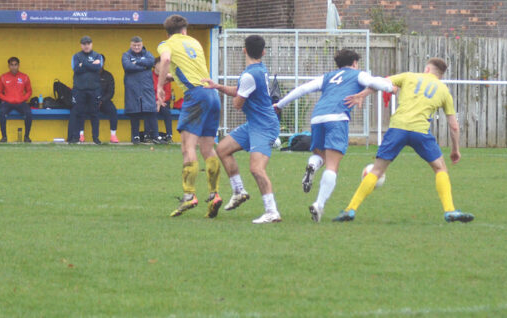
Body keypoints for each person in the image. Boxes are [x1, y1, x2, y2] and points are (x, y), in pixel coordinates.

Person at [333, 58, 475, 223]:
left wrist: (361, 95)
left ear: (427, 69)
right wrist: (455, 149)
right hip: (420, 132)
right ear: (440, 74)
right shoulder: (443, 90)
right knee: (440, 169)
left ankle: (350, 210)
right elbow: (454, 126)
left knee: (377, 171)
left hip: (397, 129)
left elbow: (380, 83)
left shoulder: (409, 76)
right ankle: (450, 211)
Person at [274, 49, 393, 222]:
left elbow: (303, 89)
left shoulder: (328, 76)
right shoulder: (357, 74)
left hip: (317, 118)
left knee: (319, 155)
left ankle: (312, 166)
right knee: (332, 165)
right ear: (354, 63)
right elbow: (375, 83)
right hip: (337, 118)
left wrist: (280, 104)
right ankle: (319, 205)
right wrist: (390, 87)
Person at [202, 35, 282, 223]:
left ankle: (272, 212)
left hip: (264, 127)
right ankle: (239, 191)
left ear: (244, 50)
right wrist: (218, 86)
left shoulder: (249, 75)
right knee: (222, 149)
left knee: (256, 169)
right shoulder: (258, 69)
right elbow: (241, 92)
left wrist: (233, 97)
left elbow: (238, 103)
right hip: (256, 123)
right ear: (263, 52)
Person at [157, 14, 222, 218]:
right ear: (185, 30)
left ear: (168, 33)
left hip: (195, 95)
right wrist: (170, 77)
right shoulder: (194, 42)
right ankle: (214, 195)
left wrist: (159, 86)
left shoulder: (166, 44)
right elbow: (187, 68)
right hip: (212, 93)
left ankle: (189, 196)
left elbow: (166, 59)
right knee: (208, 148)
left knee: (187, 148)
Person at [69, 36, 103, 144]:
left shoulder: (98, 55)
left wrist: (83, 64)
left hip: (94, 90)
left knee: (95, 114)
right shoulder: (76, 56)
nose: (86, 45)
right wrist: (91, 65)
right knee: (78, 113)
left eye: (88, 43)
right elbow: (76, 69)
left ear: (91, 44)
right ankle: (75, 137)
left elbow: (98, 67)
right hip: (79, 90)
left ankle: (96, 138)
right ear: (81, 45)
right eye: (84, 44)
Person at [122, 36, 157, 144]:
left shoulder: (148, 54)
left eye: (138, 45)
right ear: (130, 45)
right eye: (134, 45)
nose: (137, 47)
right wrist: (143, 66)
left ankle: (153, 136)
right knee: (134, 112)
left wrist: (136, 62)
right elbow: (127, 66)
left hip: (146, 88)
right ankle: (135, 136)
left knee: (149, 111)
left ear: (142, 45)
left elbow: (151, 62)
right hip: (132, 88)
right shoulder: (126, 55)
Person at [0, 57, 33, 143]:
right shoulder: (3, 77)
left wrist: (22, 98)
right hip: (7, 102)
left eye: (15, 65)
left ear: (18, 65)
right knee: (1, 113)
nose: (14, 67)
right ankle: (4, 137)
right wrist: (6, 99)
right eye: (12, 65)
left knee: (28, 113)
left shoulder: (25, 77)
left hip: (20, 102)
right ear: (9, 66)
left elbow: (29, 91)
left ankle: (27, 137)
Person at [96, 55, 119, 143]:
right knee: (81, 110)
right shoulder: (90, 75)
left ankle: (113, 135)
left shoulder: (108, 75)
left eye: (101, 61)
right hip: (92, 101)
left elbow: (111, 92)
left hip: (104, 101)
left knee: (113, 110)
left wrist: (102, 100)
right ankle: (82, 135)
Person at [153, 59, 173, 143]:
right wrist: (157, 101)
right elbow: (150, 91)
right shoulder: (150, 76)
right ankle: (155, 135)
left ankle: (169, 135)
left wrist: (160, 101)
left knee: (166, 112)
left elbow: (168, 93)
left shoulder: (166, 76)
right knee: (152, 112)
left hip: (164, 102)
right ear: (154, 65)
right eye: (159, 64)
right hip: (153, 101)